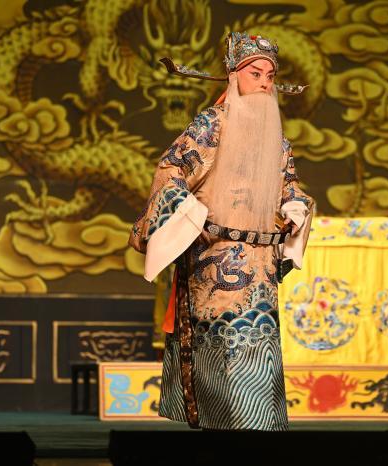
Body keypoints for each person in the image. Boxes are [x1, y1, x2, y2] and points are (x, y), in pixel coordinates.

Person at [129, 31, 314, 431]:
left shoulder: (277, 139)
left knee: (260, 350)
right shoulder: (212, 124)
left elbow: (290, 186)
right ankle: (223, 431)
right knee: (224, 349)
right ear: (234, 75)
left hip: (261, 264)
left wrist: (295, 208)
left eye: (269, 75)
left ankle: (258, 433)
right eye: (254, 73)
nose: (264, 82)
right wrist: (189, 212)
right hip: (215, 258)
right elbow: (171, 171)